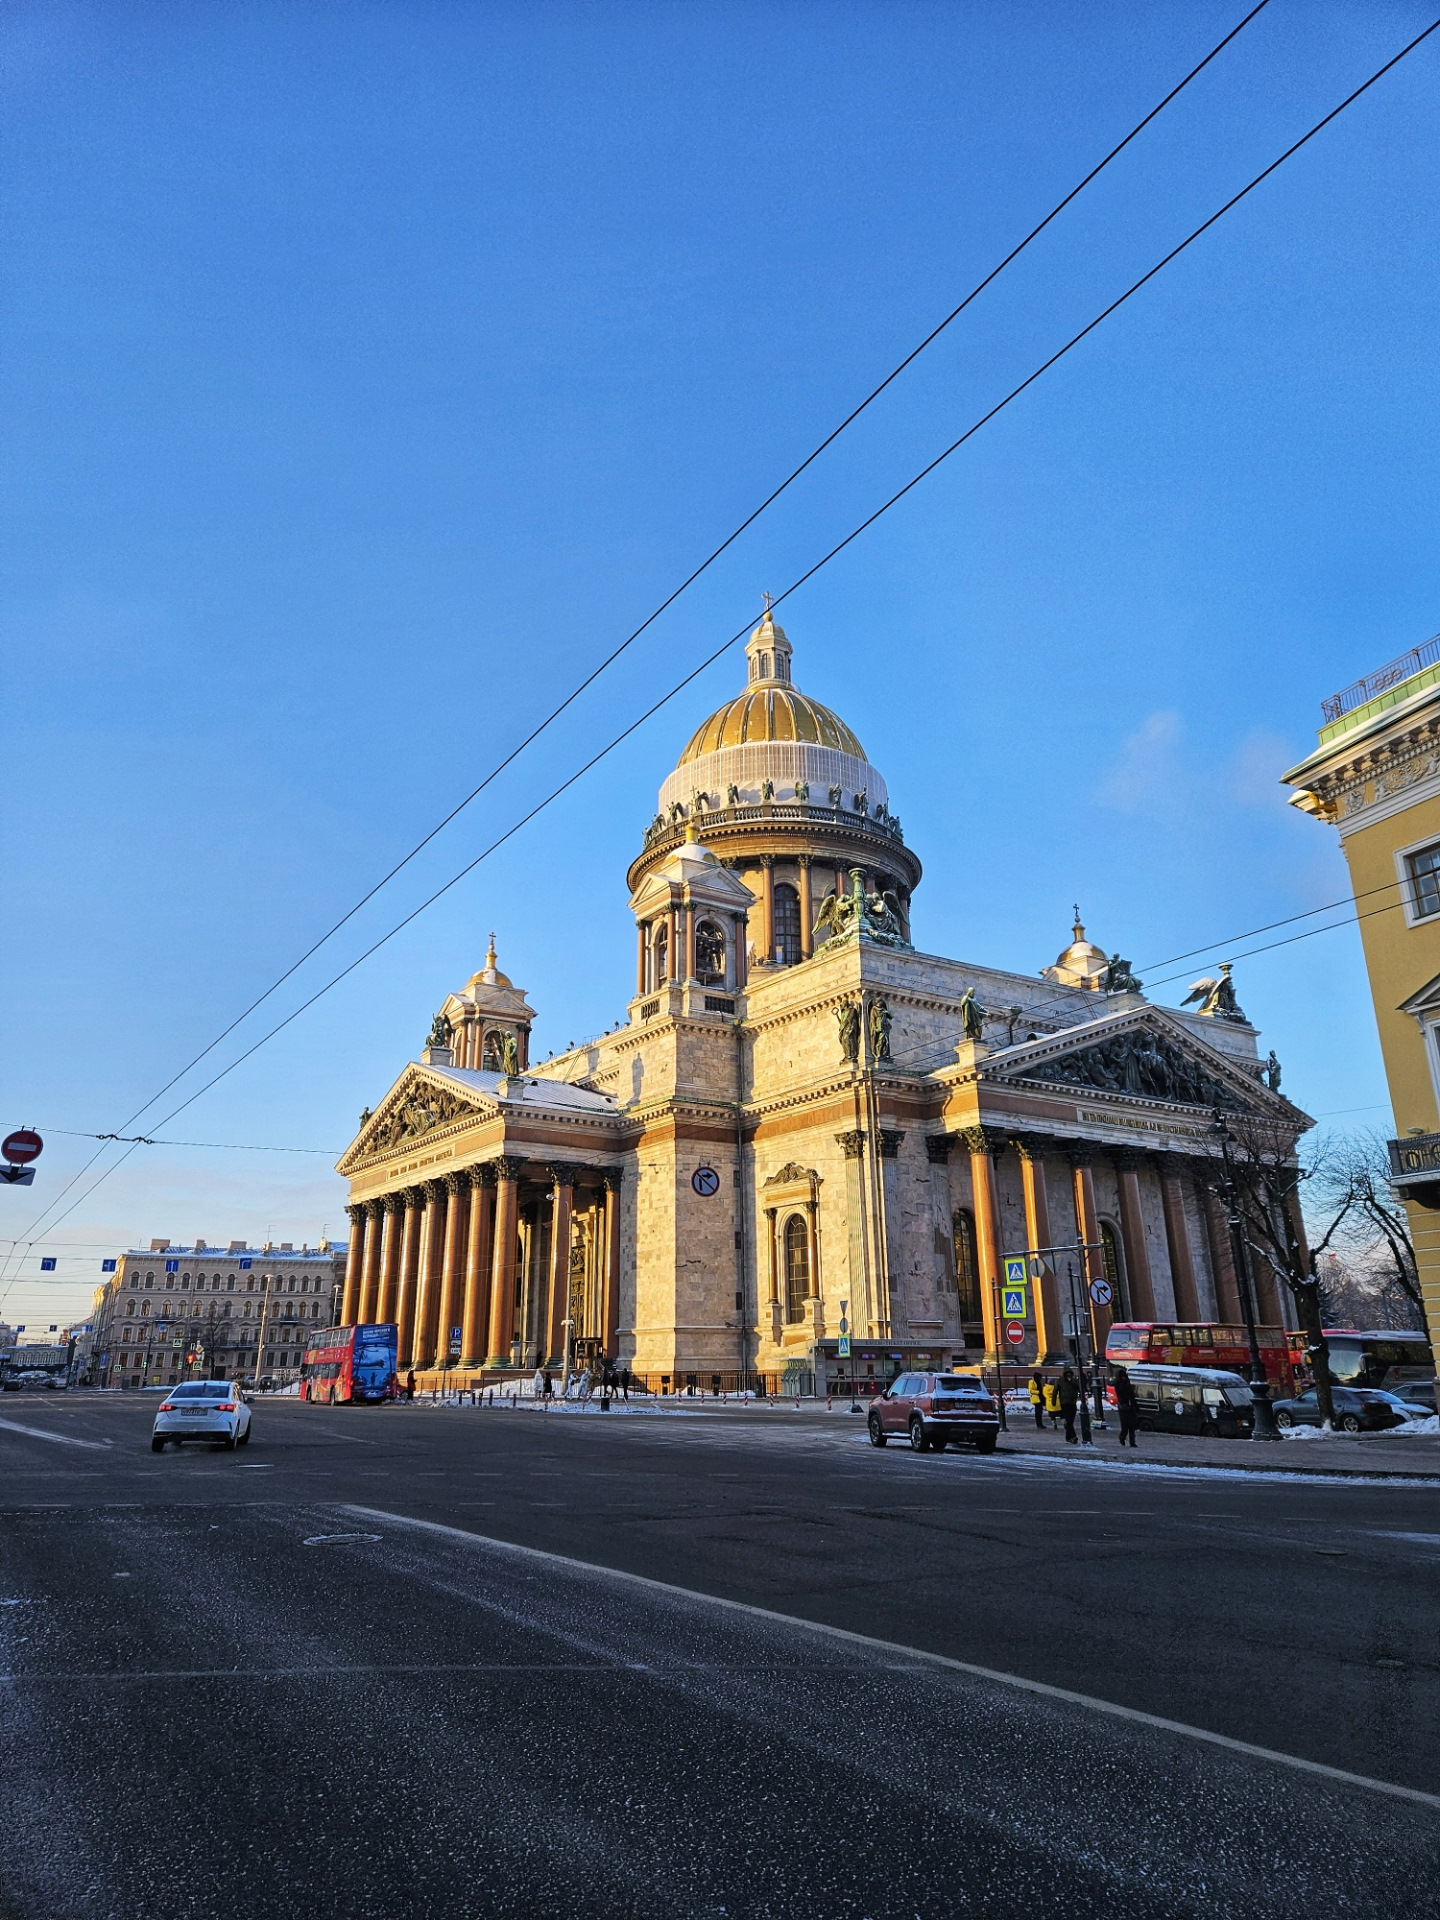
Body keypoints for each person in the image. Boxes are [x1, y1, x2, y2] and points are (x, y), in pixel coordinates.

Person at [1113, 1365, 1139, 1448]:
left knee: (1131, 1426)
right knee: (1125, 1426)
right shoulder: (1119, 1384)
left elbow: (1132, 1396)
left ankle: (1132, 1442)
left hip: (1130, 1406)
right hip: (1123, 1406)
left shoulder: (1127, 1383)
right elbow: (1120, 1392)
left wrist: (1135, 1405)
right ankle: (1122, 1437)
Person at [1058, 1367, 1080, 1444]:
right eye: (1067, 1374)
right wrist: (1054, 1401)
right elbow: (1055, 1390)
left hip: (1072, 1403)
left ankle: (1068, 1437)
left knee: (1070, 1421)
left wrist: (1072, 1382)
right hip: (1064, 1404)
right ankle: (1073, 1436)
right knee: (1069, 1421)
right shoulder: (1060, 1380)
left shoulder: (1074, 1381)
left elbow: (1079, 1387)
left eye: (1070, 1374)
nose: (1068, 1375)